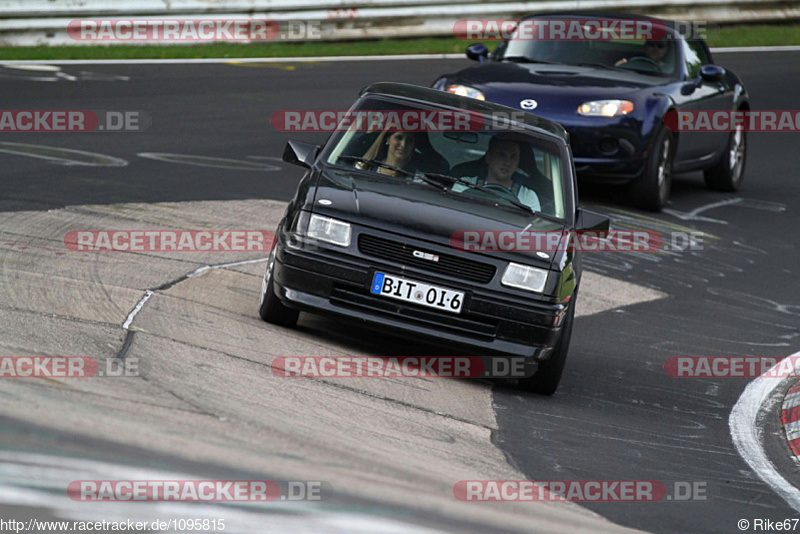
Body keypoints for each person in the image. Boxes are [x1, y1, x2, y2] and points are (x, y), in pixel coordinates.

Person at [453, 137, 541, 211]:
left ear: (518, 162)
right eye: (502, 155)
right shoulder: (464, 185)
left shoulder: (528, 197)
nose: (507, 162)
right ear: (488, 157)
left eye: (513, 157)